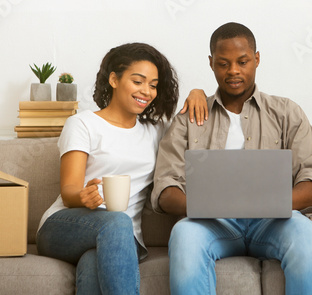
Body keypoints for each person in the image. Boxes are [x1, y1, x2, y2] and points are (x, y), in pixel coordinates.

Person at [151, 22, 312, 295]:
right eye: (223, 63)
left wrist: (269, 204)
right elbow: (165, 188)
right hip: (213, 225)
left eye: (242, 61)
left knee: (304, 232)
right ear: (211, 63)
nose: (233, 70)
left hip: (274, 223)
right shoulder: (189, 119)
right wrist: (206, 206)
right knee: (184, 234)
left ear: (257, 59)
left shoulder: (287, 112)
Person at [36, 42, 207, 295]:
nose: (146, 91)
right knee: (116, 221)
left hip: (125, 239)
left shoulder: (156, 130)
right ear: (114, 79)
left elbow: (196, 131)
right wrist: (84, 195)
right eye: (138, 81)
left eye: (153, 85)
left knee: (95, 260)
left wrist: (197, 91)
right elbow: (69, 190)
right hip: (65, 226)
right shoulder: (83, 124)